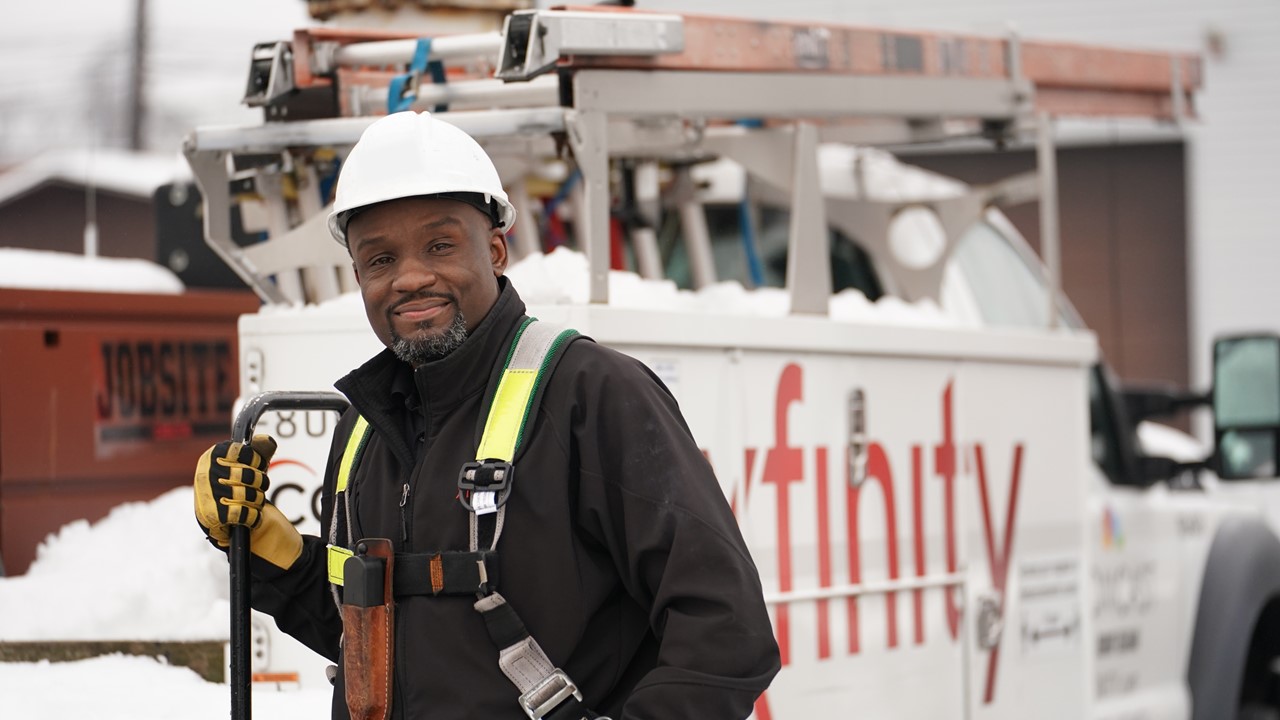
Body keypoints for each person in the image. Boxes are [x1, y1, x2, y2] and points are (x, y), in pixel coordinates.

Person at [193, 110, 780, 720]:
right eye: (380, 259)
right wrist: (272, 553)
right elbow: (393, 643)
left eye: (440, 246)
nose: (411, 278)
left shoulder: (593, 393)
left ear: (497, 250)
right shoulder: (367, 426)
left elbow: (724, 630)